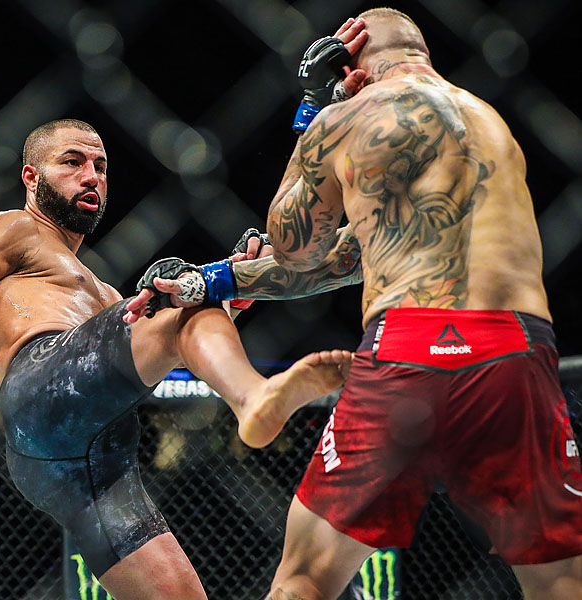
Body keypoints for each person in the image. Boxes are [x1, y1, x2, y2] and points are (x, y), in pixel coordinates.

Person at [126, 9, 582, 600]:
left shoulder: (349, 117)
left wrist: (314, 111)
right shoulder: (488, 121)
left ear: (353, 69)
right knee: (560, 582)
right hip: (513, 353)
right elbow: (348, 259)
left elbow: (295, 247)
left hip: (407, 351)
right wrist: (207, 284)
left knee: (305, 579)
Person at [0, 118, 356, 600]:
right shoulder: (13, 230)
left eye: (100, 166)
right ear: (31, 177)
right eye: (72, 162)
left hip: (97, 463)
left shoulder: (104, 293)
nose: (91, 176)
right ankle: (253, 396)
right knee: (179, 298)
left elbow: (168, 349)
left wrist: (230, 288)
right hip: (43, 386)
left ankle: (222, 322)